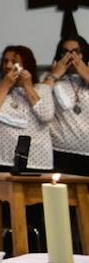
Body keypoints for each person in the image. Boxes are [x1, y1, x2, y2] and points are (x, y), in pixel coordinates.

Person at [0, 45, 54, 172]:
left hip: (36, 161)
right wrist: (5, 86)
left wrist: (28, 87)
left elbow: (46, 116)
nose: (9, 66)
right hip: (0, 159)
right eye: (5, 61)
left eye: (14, 62)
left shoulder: (42, 89)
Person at [44, 35, 89, 175]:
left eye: (76, 52)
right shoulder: (49, 78)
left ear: (84, 55)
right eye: (66, 52)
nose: (71, 56)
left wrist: (86, 74)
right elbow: (39, 100)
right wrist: (54, 75)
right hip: (61, 153)